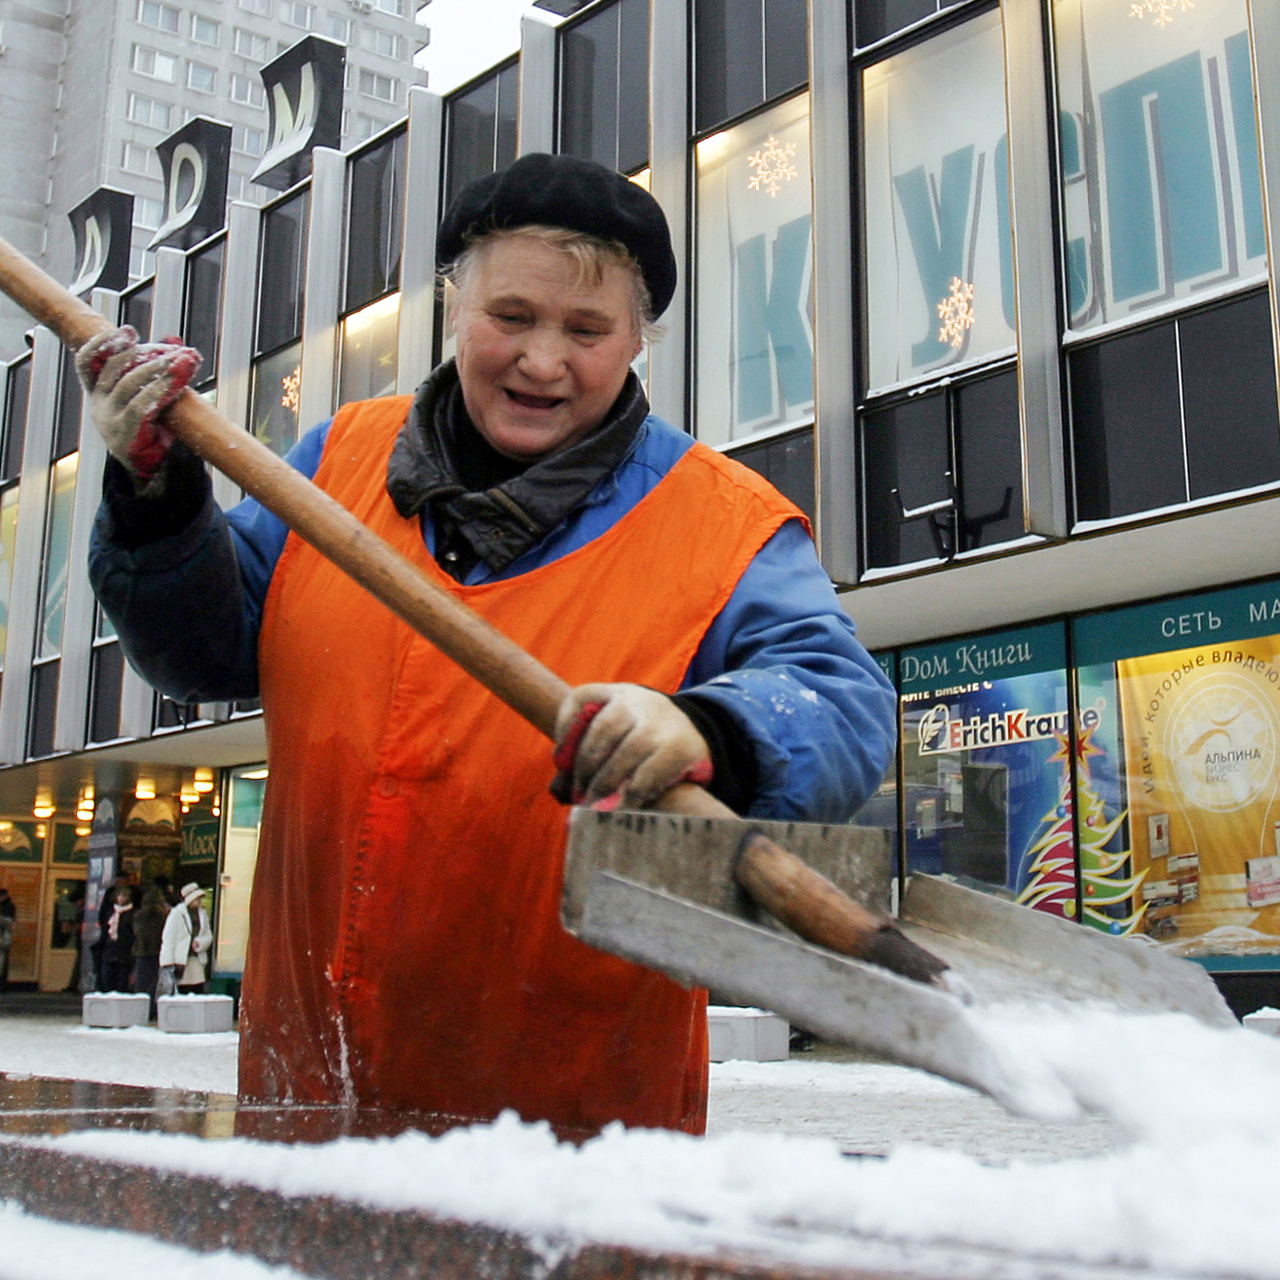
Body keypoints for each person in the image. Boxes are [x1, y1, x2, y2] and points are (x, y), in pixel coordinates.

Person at [81, 152, 897, 1139]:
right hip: (306, 1113)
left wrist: (704, 726)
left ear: (640, 338)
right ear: (451, 307)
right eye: (509, 316)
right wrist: (156, 497)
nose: (542, 360)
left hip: (576, 1145)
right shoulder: (332, 464)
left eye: (587, 330)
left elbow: (842, 704)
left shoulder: (723, 525)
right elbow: (199, 652)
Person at [158, 881, 213, 995]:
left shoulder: (202, 914)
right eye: (197, 898)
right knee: (182, 990)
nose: (199, 901)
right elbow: (169, 939)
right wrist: (167, 963)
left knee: (198, 989)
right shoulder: (177, 913)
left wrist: (199, 943)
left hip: (196, 959)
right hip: (180, 961)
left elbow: (208, 935)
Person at [132, 875, 172, 1016]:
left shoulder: (139, 915)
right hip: (157, 952)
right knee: (154, 982)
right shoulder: (163, 916)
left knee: (142, 982)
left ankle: (140, 1010)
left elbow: (137, 933)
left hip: (142, 950)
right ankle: (152, 1009)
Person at [98, 882, 137, 993]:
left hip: (124, 951)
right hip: (109, 950)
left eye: (124, 896)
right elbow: (105, 930)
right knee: (106, 979)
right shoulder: (111, 912)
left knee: (121, 981)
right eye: (119, 895)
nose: (121, 898)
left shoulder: (132, 914)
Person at [0, 886, 15, 994]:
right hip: (4, 937)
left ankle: (2, 985)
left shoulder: (8, 907)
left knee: (2, 962)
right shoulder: (8, 906)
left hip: (3, 938)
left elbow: (9, 922)